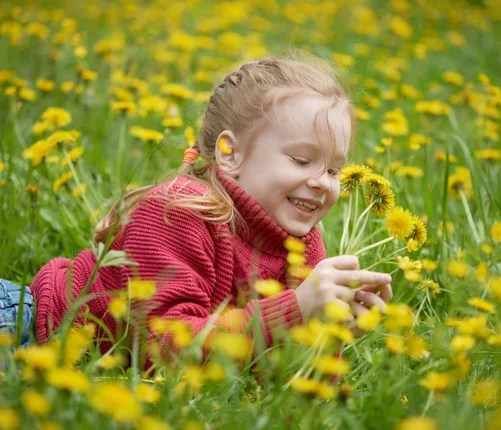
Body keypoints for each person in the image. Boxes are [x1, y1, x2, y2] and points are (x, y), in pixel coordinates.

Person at [3, 55, 392, 366]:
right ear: (231, 153)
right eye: (301, 160)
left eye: (333, 169)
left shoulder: (304, 246)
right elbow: (163, 345)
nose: (323, 181)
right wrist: (295, 310)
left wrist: (328, 331)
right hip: (32, 328)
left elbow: (279, 378)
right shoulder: (177, 213)